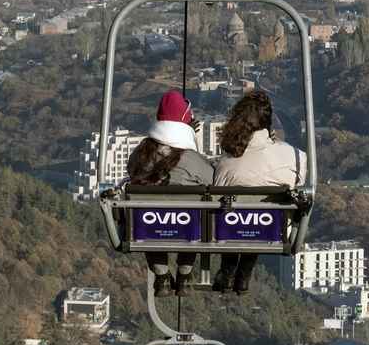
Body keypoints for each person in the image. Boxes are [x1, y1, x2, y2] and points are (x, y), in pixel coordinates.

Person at [212, 90, 305, 294]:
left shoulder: (227, 162)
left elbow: (217, 191)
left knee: (237, 218)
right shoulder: (295, 156)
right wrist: (276, 145)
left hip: (228, 228)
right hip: (273, 229)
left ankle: (228, 270)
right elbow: (300, 183)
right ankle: (244, 273)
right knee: (258, 220)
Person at [126, 90, 215, 295]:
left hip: (149, 225)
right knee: (190, 217)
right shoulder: (190, 159)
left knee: (152, 221)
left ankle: (161, 275)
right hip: (186, 225)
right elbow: (210, 179)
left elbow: (132, 170)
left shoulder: (142, 154)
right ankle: (185, 274)